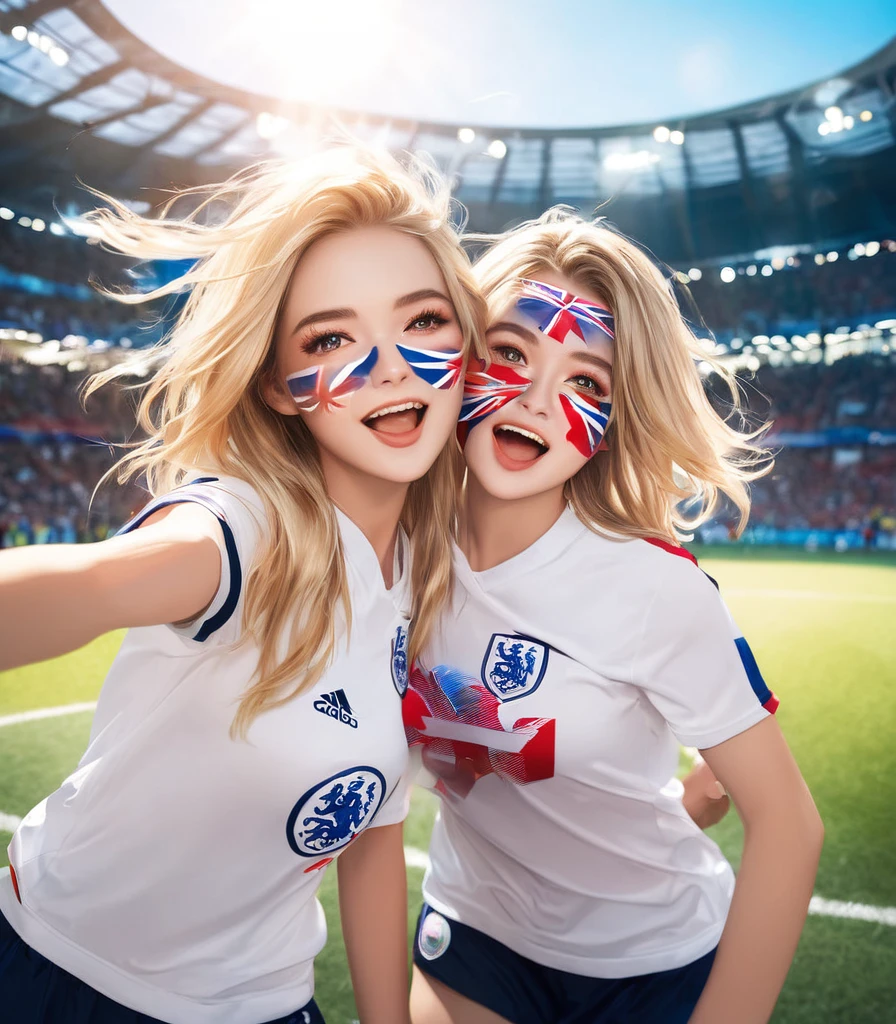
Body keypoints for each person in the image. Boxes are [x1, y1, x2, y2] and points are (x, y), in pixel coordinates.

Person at [0, 148, 485, 1024]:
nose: (389, 362)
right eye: (331, 338)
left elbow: (372, 834)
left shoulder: (423, 572)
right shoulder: (244, 528)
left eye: (423, 320)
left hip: (267, 1004)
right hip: (64, 981)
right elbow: (85, 586)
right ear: (277, 387)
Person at [405, 211, 824, 1024]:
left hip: (655, 962)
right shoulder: (390, 552)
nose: (534, 400)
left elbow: (788, 825)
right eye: (510, 354)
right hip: (477, 933)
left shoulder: (654, 588)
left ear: (614, 421)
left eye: (586, 382)